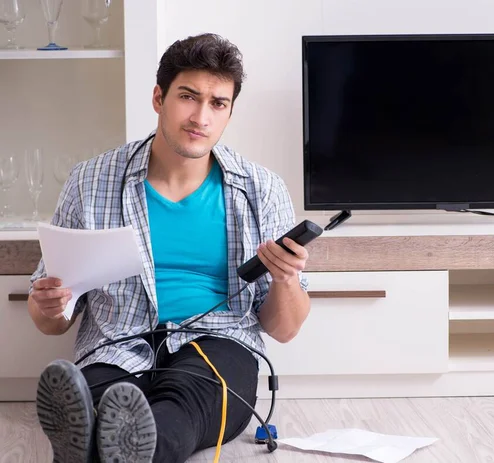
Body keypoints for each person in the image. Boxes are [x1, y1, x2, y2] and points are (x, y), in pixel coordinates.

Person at [28, 33, 311, 463]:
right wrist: (48, 306)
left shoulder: (261, 188)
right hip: (116, 343)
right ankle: (95, 432)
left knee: (187, 407)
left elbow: (285, 330)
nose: (201, 116)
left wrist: (285, 278)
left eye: (218, 103)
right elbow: (52, 321)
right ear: (159, 98)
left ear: (230, 112)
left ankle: (100, 447)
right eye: (188, 96)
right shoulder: (90, 181)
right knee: (108, 397)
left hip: (220, 342)